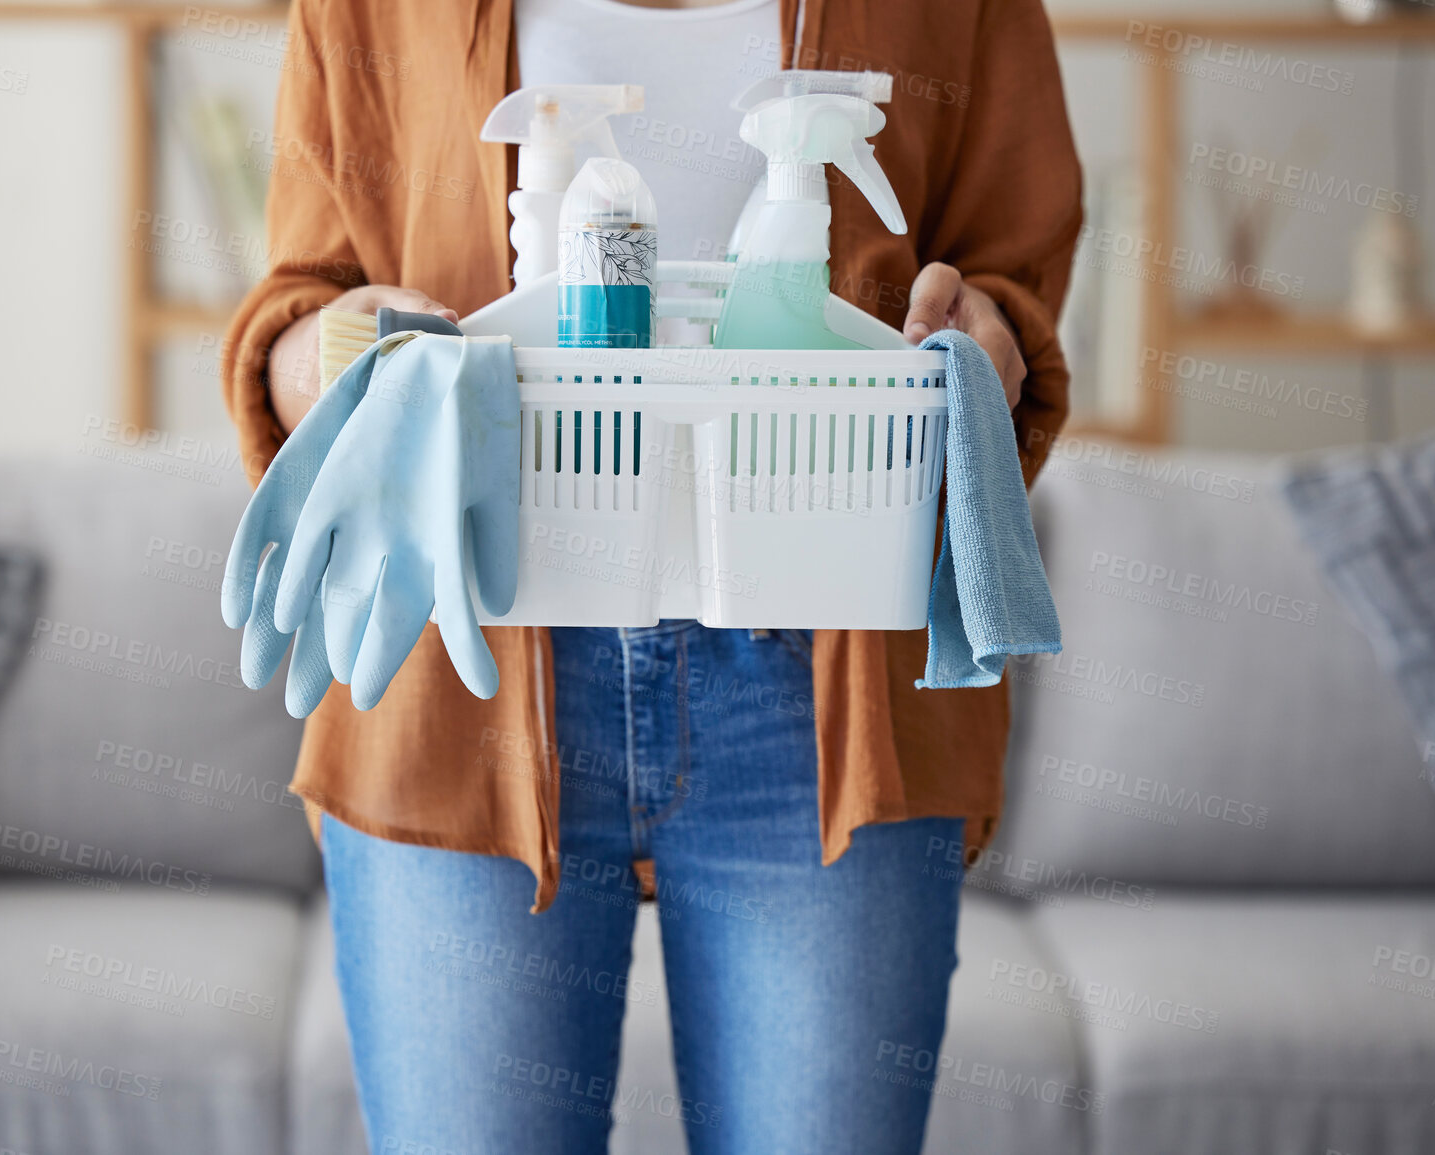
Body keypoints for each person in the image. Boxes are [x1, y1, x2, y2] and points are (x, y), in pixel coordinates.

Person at [221, 0, 1081, 1150]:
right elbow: (298, 298)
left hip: (831, 686)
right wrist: (346, 358)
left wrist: (981, 337)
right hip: (465, 678)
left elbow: (1013, 281)